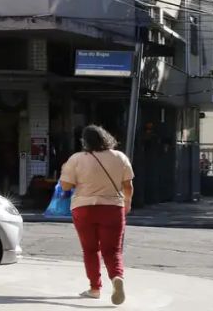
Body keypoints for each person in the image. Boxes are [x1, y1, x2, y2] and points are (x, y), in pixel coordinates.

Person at [59, 125, 134, 306]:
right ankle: (117, 278)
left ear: (85, 141)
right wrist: (127, 204)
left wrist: (66, 173)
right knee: (113, 250)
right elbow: (128, 187)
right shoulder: (120, 157)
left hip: (84, 208)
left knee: (90, 250)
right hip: (113, 208)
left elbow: (65, 187)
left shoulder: (76, 159)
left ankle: (94, 288)